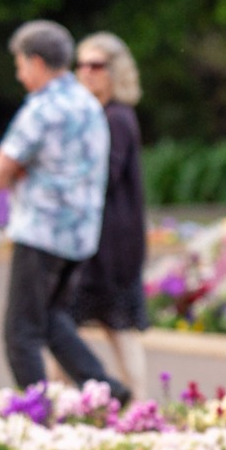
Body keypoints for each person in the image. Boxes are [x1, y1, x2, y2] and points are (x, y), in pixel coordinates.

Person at [0, 20, 129, 403]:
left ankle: (37, 414)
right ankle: (107, 391)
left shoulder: (42, 109)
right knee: (52, 320)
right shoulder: (88, 104)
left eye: (19, 65)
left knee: (21, 331)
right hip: (79, 236)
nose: (18, 74)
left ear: (35, 62)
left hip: (40, 231)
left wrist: (24, 170)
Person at [69, 32, 151, 399]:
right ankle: (53, 401)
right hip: (101, 240)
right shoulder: (102, 114)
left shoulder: (116, 117)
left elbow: (100, 176)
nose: (86, 72)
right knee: (72, 324)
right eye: (81, 64)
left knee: (115, 326)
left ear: (115, 71)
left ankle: (139, 403)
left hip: (111, 244)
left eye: (96, 65)